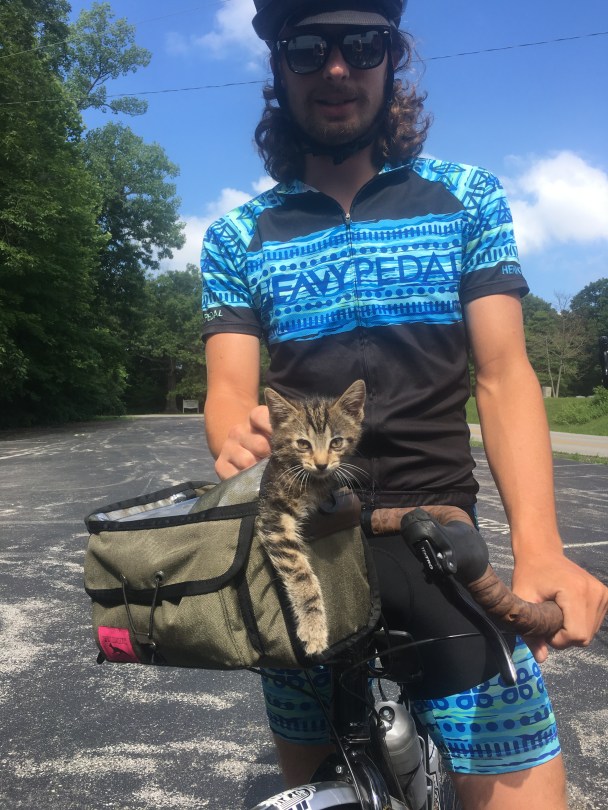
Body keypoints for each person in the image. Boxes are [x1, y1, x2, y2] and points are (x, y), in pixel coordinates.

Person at [200, 1, 608, 807]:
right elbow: (227, 395)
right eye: (309, 48)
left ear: (395, 58)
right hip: (304, 549)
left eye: (364, 45)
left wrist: (542, 545)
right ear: (278, 69)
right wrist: (237, 437)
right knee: (323, 793)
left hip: (440, 546)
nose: (339, 69)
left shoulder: (466, 197)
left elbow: (503, 373)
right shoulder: (236, 235)